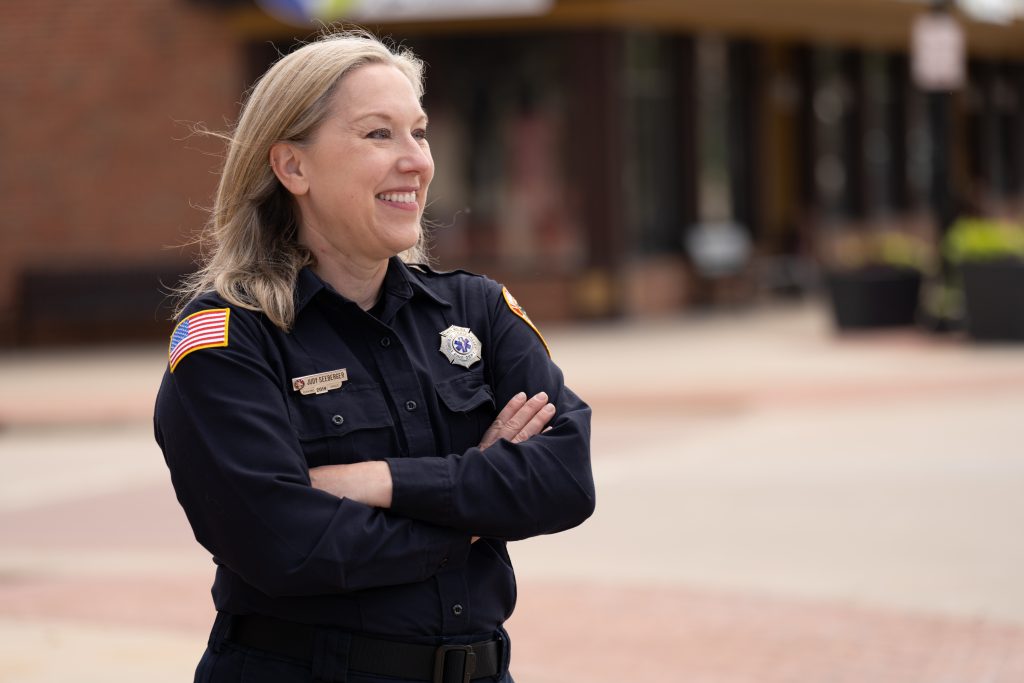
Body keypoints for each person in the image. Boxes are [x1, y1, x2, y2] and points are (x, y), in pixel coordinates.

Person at [153, 30, 595, 683]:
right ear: (292, 167)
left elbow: (565, 479)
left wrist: (383, 481)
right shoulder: (229, 339)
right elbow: (288, 545)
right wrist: (477, 502)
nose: (416, 160)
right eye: (378, 134)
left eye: (419, 131)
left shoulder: (478, 310)